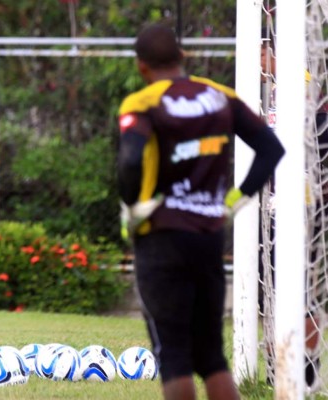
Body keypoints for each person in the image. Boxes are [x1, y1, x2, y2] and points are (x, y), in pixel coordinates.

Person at [118, 24, 284, 400]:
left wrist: (133, 207)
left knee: (173, 353)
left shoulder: (143, 103)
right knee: (211, 356)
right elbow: (271, 149)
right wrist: (235, 200)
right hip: (209, 235)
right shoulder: (219, 96)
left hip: (161, 236)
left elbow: (130, 161)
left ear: (142, 67)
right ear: (182, 56)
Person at [259, 26, 324, 391]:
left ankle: (307, 372)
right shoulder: (271, 89)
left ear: (272, 51)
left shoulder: (300, 83)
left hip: (300, 204)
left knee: (300, 293)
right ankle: (277, 368)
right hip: (274, 203)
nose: (258, 62)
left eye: (261, 52)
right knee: (275, 290)